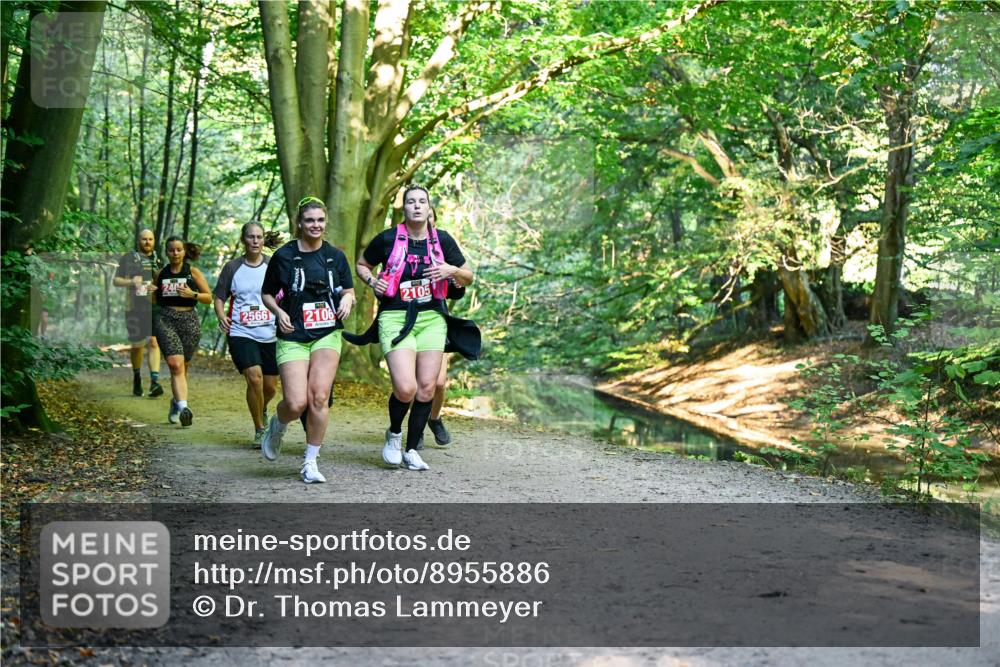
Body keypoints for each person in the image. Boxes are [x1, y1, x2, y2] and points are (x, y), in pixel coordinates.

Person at [355, 185, 474, 471]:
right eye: (411, 202)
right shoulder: (387, 239)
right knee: (405, 387)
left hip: (432, 317)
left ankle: (411, 449)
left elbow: (468, 276)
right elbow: (362, 265)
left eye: (422, 201)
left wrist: (451, 271)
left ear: (429, 208)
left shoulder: (442, 241)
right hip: (395, 316)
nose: (417, 206)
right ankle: (394, 434)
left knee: (427, 388)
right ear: (404, 208)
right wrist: (373, 281)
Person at [259, 197, 355, 484]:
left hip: (327, 332)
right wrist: (278, 312)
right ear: (299, 223)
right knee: (296, 402)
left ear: (326, 223)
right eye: (310, 220)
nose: (316, 225)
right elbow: (266, 293)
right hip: (293, 335)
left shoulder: (335, 256)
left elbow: (348, 290)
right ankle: (278, 424)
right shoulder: (284, 256)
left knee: (319, 397)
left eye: (320, 220)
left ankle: (310, 462)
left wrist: (348, 300)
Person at [214, 222, 279, 445]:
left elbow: (283, 294)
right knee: (254, 378)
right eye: (250, 237)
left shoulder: (272, 265)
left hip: (270, 333)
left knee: (270, 387)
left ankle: (262, 408)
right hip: (241, 332)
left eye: (259, 237)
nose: (255, 241)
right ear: (244, 240)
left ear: (263, 240)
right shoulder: (233, 268)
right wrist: (221, 315)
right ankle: (260, 430)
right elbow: (219, 296)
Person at [152, 236, 212, 427]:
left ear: (184, 252)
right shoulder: (160, 274)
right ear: (166, 252)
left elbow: (209, 298)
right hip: (166, 319)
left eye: (179, 249)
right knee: (175, 364)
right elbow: (153, 298)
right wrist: (143, 290)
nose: (175, 253)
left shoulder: (192, 272)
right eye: (171, 250)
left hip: (189, 320)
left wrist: (192, 294)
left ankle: (176, 402)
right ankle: (184, 408)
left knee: (183, 365)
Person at [113, 229, 164, 398]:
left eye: (150, 239)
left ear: (154, 241)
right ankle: (136, 377)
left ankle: (154, 382)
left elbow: (164, 280)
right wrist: (131, 282)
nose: (147, 242)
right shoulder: (128, 258)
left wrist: (158, 287)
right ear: (138, 240)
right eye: (144, 239)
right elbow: (116, 280)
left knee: (154, 342)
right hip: (134, 307)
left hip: (154, 307)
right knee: (137, 346)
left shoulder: (158, 259)